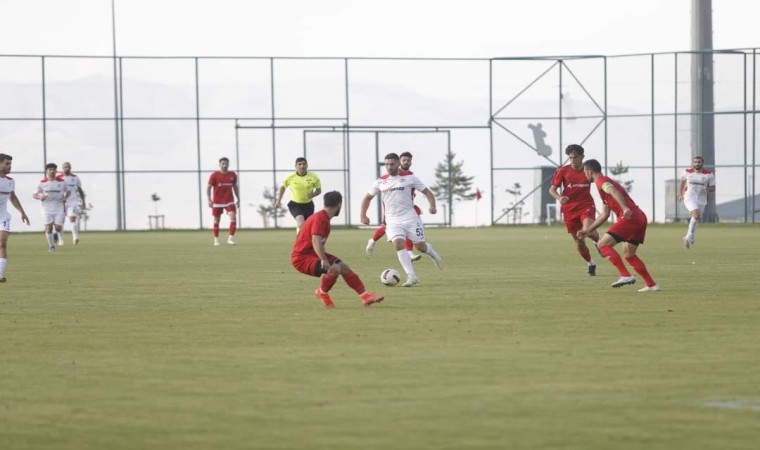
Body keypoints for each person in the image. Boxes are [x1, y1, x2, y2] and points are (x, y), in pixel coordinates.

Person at [359, 152, 444, 287]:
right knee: (399, 244)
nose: (389, 167)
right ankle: (412, 276)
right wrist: (363, 215)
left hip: (411, 218)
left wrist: (432, 206)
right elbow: (367, 198)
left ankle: (433, 254)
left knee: (420, 247)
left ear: (398, 164)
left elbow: (428, 193)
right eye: (386, 164)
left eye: (392, 164)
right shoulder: (381, 181)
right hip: (392, 221)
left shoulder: (410, 177)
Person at [291, 190, 384, 309]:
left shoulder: (324, 218)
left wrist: (324, 257)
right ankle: (322, 292)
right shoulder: (320, 218)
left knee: (343, 267)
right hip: (301, 258)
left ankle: (365, 296)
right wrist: (323, 260)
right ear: (339, 204)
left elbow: (318, 242)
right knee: (334, 268)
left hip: (311, 254)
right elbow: (316, 240)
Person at [577, 159, 660, 292]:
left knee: (602, 245)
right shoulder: (602, 185)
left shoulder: (601, 181)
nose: (584, 175)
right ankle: (652, 285)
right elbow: (605, 214)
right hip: (639, 217)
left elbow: (614, 192)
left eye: (584, 172)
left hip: (630, 217)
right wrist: (588, 230)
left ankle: (625, 275)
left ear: (589, 172)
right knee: (629, 254)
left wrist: (625, 208)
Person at [549, 144, 600, 276]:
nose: (572, 160)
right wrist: (560, 198)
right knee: (579, 241)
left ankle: (599, 242)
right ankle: (591, 263)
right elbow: (552, 190)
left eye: (575, 157)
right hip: (569, 209)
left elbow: (601, 182)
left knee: (588, 229)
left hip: (586, 205)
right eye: (570, 158)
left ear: (582, 157)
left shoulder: (588, 170)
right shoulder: (563, 171)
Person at [365, 151, 422, 261]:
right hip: (392, 210)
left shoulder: (411, 175)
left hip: (407, 207)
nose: (406, 162)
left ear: (411, 162)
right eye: (404, 160)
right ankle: (372, 240)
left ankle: (409, 252)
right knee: (386, 227)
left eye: (408, 160)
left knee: (410, 226)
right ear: (399, 162)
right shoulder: (389, 177)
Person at [0, 153, 31, 282]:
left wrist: (22, 212)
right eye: (7, 164)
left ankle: (0, 274)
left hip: (3, 216)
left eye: (10, 164)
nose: (9, 166)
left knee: (2, 243)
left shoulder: (10, 181)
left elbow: (13, 197)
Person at [275, 157, 322, 234]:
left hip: (309, 205)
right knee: (301, 224)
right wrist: (278, 200)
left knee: (307, 226)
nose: (302, 166)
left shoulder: (314, 176)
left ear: (307, 165)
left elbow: (319, 190)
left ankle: (302, 240)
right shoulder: (290, 177)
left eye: (304, 164)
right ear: (295, 166)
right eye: (299, 164)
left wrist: (312, 195)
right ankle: (300, 240)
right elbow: (283, 187)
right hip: (295, 204)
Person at [678, 156, 716, 249]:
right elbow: (682, 181)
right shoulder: (687, 172)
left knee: (696, 218)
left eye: (699, 162)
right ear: (693, 163)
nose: (697, 164)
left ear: (702, 163)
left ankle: (688, 237)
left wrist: (708, 188)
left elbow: (713, 187)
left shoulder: (709, 174)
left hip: (702, 198)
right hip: (689, 197)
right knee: (696, 215)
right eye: (695, 162)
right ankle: (691, 235)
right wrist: (681, 194)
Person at [33, 162, 70, 252]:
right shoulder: (41, 183)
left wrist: (65, 197)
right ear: (47, 171)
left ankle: (57, 234)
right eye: (50, 169)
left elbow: (68, 191)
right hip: (46, 209)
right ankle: (52, 246)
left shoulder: (62, 182)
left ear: (56, 171)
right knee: (48, 227)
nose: (52, 171)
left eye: (54, 169)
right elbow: (34, 194)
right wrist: (40, 197)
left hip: (59, 207)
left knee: (57, 227)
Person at [207, 157, 240, 246]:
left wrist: (238, 198)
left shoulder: (233, 175)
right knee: (216, 221)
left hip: (229, 200)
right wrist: (209, 199)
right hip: (217, 201)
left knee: (233, 218)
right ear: (219, 165)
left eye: (226, 163)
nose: (225, 165)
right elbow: (209, 187)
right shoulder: (214, 175)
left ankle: (230, 239)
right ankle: (216, 240)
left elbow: (235, 187)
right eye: (223, 164)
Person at [56, 161, 86, 246]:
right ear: (62, 168)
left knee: (72, 218)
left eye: (68, 167)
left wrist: (83, 202)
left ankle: (75, 237)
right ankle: (61, 240)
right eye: (65, 167)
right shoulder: (58, 178)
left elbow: (80, 190)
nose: (67, 168)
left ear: (71, 168)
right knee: (60, 222)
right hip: (61, 203)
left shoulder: (75, 178)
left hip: (72, 202)